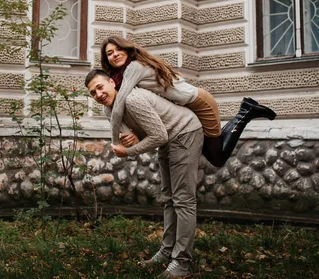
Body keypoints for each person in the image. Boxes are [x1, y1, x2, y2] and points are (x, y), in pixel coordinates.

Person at [85, 69, 202, 279]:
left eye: (100, 87)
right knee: (169, 198)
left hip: (185, 132)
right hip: (168, 139)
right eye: (93, 93)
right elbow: (143, 136)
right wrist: (134, 140)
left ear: (112, 82)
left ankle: (182, 264)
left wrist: (128, 150)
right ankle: (167, 252)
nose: (98, 94)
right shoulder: (111, 111)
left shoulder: (131, 99)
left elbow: (157, 136)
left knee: (183, 200)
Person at [100, 36, 276, 168]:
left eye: (118, 49)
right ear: (106, 59)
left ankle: (245, 113)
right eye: (110, 53)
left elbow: (119, 105)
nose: (115, 54)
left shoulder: (133, 67)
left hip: (199, 102)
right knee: (212, 150)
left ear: (127, 49)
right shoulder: (121, 76)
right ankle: (246, 110)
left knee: (216, 158)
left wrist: (116, 142)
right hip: (185, 109)